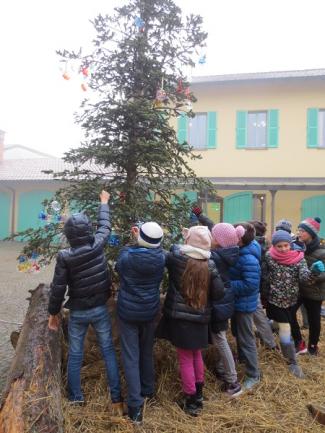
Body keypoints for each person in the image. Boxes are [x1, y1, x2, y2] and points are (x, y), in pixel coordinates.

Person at [48, 190, 122, 410]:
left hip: (78, 312)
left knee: (76, 354)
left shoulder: (65, 256)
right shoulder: (97, 243)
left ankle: (75, 398)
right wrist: (104, 202)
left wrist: (54, 313)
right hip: (99, 308)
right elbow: (105, 226)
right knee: (108, 350)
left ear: (69, 235)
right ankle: (116, 398)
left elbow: (58, 288)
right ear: (88, 230)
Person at [157, 225, 224, 416]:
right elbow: (219, 293)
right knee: (196, 355)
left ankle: (191, 400)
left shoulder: (177, 258)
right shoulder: (210, 265)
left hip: (181, 319)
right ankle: (199, 393)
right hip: (201, 318)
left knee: (185, 358)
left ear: (189, 242)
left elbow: (170, 249)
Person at [116, 222, 165, 424]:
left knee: (130, 356)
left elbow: (120, 263)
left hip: (128, 313)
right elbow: (157, 248)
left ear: (140, 237)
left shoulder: (127, 257)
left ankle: (135, 406)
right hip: (150, 311)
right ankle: (148, 390)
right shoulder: (161, 257)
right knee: (146, 351)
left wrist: (134, 239)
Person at [262, 230, 311, 378]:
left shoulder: (299, 259)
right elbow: (264, 276)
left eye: (286, 245)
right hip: (274, 300)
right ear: (274, 246)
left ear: (290, 244)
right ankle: (292, 361)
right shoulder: (269, 257)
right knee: (285, 329)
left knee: (280, 324)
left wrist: (313, 273)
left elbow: (303, 278)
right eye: (279, 246)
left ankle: (265, 329)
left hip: (291, 300)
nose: (283, 249)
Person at [209, 223, 244, 398]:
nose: (210, 236)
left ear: (219, 241)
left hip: (218, 303)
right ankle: (223, 368)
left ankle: (232, 381)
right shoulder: (226, 253)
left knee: (220, 338)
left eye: (212, 235)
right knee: (221, 336)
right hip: (224, 301)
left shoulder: (214, 257)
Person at [229, 222, 261, 391]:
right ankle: (242, 359)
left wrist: (227, 284)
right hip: (236, 302)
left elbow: (250, 284)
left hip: (244, 304)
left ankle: (254, 374)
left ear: (239, 240)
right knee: (237, 333)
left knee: (246, 338)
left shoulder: (248, 258)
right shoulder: (241, 251)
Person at [291, 217, 325, 355]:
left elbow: (323, 273)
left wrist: (311, 277)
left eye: (302, 231)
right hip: (299, 290)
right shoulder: (297, 247)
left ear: (311, 233)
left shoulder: (322, 251)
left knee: (314, 319)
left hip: (314, 291)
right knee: (289, 313)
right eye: (298, 230)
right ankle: (299, 342)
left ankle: (313, 346)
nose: (299, 233)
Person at [249, 220, 277, 351]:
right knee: (259, 317)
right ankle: (270, 344)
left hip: (253, 287)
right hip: (258, 287)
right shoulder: (264, 245)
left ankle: (264, 344)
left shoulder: (252, 245)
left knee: (255, 317)